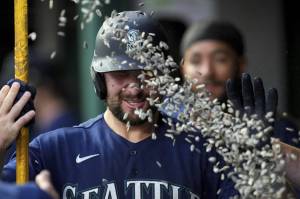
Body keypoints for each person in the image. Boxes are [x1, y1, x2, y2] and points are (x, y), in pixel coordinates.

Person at [0, 11, 238, 198]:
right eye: (121, 73)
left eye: (148, 72)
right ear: (99, 78)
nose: (135, 87)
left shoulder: (204, 151)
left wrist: (263, 163)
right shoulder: (53, 149)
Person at [178, 20, 300, 147]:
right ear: (182, 68)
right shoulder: (166, 124)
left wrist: (265, 150)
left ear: (241, 64)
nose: (207, 71)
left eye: (220, 59)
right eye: (195, 61)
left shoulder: (276, 127)